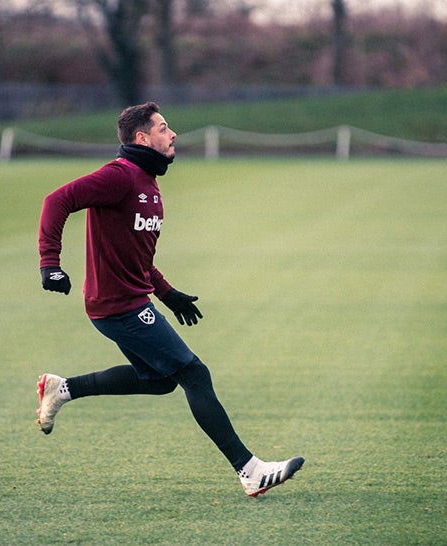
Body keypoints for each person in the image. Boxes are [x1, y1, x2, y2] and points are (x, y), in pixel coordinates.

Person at [36, 102, 304, 497]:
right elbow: (56, 200)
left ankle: (63, 389)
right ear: (142, 138)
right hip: (117, 305)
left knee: (160, 381)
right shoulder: (119, 177)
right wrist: (50, 264)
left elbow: (137, 256)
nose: (173, 133)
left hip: (130, 300)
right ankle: (249, 470)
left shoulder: (148, 183)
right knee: (194, 374)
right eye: (163, 128)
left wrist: (168, 294)